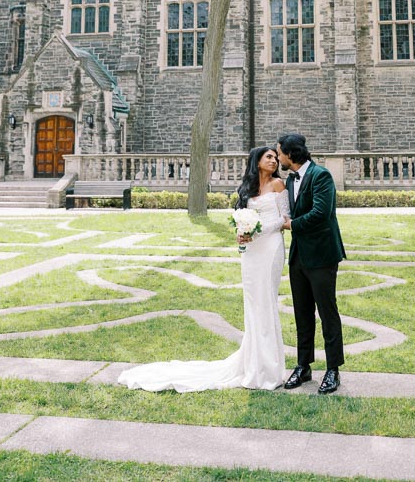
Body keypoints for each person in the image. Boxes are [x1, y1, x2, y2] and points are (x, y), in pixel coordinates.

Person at [117, 145, 289, 392]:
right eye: (268, 157)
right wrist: (242, 233)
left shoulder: (278, 186)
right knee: (253, 304)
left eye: (275, 157)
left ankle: (269, 369)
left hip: (270, 248)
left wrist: (258, 230)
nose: (274, 161)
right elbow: (241, 218)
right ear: (256, 161)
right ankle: (252, 361)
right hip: (251, 253)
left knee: (267, 302)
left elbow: (285, 219)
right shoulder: (247, 189)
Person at [278, 132, 346, 395]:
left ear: (291, 154)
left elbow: (321, 212)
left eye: (280, 152)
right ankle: (303, 365)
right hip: (298, 257)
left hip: (322, 255)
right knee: (302, 314)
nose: (279, 157)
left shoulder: (321, 176)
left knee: (327, 313)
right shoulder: (290, 180)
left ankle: (333, 369)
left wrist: (292, 224)